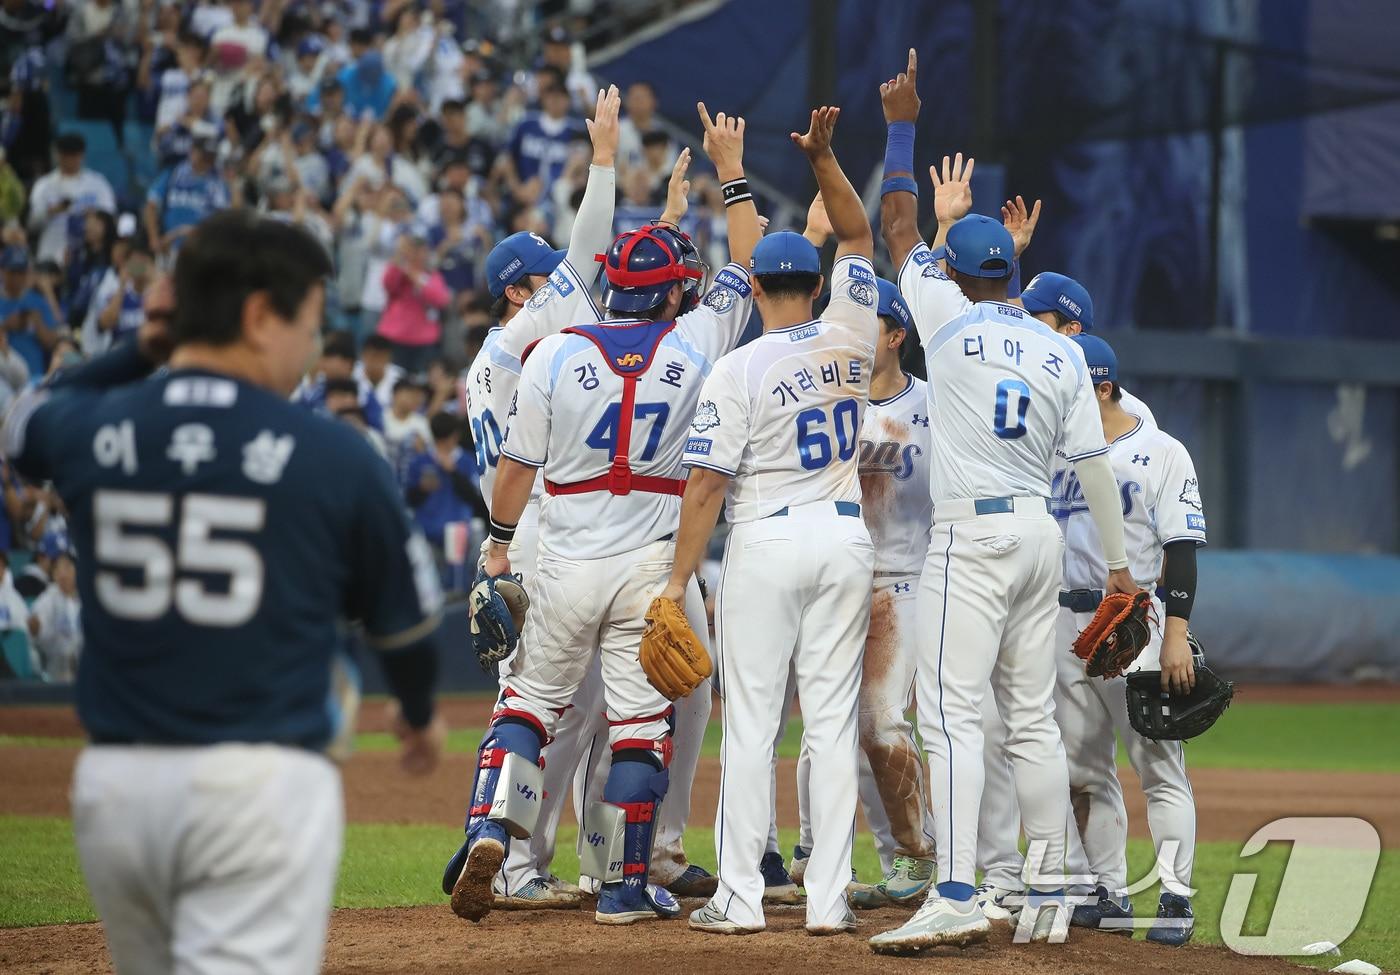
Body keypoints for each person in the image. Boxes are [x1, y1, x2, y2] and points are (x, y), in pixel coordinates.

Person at [0, 211, 446, 975]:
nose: (314, 349)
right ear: (257, 314)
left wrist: (140, 350)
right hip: (256, 788)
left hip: (116, 791)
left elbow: (20, 425)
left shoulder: (98, 427)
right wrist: (417, 713)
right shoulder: (336, 454)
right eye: (307, 323)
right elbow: (404, 630)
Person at [445, 99, 759, 927]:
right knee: (640, 721)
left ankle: (489, 830)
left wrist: (497, 549)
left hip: (560, 548)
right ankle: (621, 881)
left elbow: (516, 469)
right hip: (646, 554)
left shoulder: (548, 352)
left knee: (529, 707)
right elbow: (733, 274)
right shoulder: (689, 343)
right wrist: (724, 175)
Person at [868, 49, 1135, 953]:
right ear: (1013, 275)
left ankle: (954, 888)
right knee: (1032, 719)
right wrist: (1125, 569)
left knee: (950, 713)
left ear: (958, 270)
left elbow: (898, 221)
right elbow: (1094, 467)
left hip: (970, 540)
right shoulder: (1062, 350)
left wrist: (903, 122)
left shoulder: (939, 314)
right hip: (1043, 537)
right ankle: (1050, 887)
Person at [661, 106, 875, 937]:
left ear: (751, 287)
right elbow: (855, 233)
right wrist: (825, 158)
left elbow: (708, 486)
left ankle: (741, 897)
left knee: (752, 726)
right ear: (817, 284)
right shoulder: (855, 336)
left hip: (768, 539)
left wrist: (677, 581)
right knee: (828, 725)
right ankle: (829, 901)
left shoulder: (737, 366)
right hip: (844, 537)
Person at [446, 84, 623, 912]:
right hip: (550, 524)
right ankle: (513, 859)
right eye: (544, 278)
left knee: (551, 703)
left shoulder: (482, 365)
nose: (564, 284)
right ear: (519, 291)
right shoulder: (521, 340)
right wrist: (605, 165)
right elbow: (587, 254)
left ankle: (507, 844)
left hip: (521, 530)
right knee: (555, 704)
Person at [783, 269, 938, 909]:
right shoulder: (827, 397)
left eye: (864, 323)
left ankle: (915, 855)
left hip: (905, 583)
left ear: (896, 334)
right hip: (834, 577)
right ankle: (816, 850)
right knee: (821, 726)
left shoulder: (934, 403)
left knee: (880, 722)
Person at [1045, 335, 1202, 945]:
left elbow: (1182, 551)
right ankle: (1107, 891)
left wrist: (1176, 635)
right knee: (1083, 769)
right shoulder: (1053, 452)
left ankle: (1175, 897)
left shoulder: (1161, 451)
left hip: (1135, 622)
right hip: (1064, 625)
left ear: (1103, 387)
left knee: (1159, 765)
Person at [25, 132, 117, 266]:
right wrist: (51, 211)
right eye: (65, 155)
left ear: (82, 155)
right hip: (51, 254)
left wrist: (93, 214)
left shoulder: (97, 183)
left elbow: (110, 217)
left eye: (73, 155)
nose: (69, 160)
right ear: (58, 155)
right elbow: (32, 225)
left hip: (88, 256)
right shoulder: (44, 185)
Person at [145, 124, 232, 259]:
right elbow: (151, 205)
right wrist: (154, 238)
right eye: (204, 155)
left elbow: (222, 220)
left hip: (200, 251)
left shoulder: (217, 182)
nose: (208, 161)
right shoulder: (174, 173)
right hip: (169, 249)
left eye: (211, 157)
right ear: (193, 151)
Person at [376, 233, 450, 373]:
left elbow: (441, 299)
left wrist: (417, 278)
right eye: (413, 250)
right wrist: (399, 259)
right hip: (395, 338)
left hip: (424, 341)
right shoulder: (398, 271)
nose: (417, 255)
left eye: (421, 251)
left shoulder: (432, 275)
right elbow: (388, 284)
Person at [0, 244, 57, 377]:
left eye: (21, 272)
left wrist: (37, 322)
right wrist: (5, 326)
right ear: (2, 271)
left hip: (34, 376)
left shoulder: (37, 301)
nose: (17, 278)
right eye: (12, 272)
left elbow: (52, 343)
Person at [28, 549, 80, 682]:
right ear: (54, 575)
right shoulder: (48, 598)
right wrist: (36, 627)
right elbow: (39, 630)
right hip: (56, 668)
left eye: (67, 567)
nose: (63, 573)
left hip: (85, 665)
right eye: (57, 569)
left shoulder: (87, 597)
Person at [355, 332, 404, 411]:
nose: (376, 362)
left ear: (389, 358)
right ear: (363, 355)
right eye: (373, 356)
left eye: (381, 357)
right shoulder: (351, 373)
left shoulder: (400, 377)